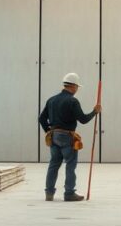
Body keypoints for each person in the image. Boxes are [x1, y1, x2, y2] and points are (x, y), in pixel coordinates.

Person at [38, 73, 101, 201]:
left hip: (54, 136)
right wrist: (95, 111)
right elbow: (83, 119)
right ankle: (69, 193)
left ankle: (49, 193)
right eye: (77, 87)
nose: (77, 90)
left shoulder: (51, 100)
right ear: (73, 86)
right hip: (67, 136)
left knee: (54, 164)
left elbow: (41, 118)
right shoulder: (72, 101)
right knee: (70, 164)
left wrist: (48, 131)